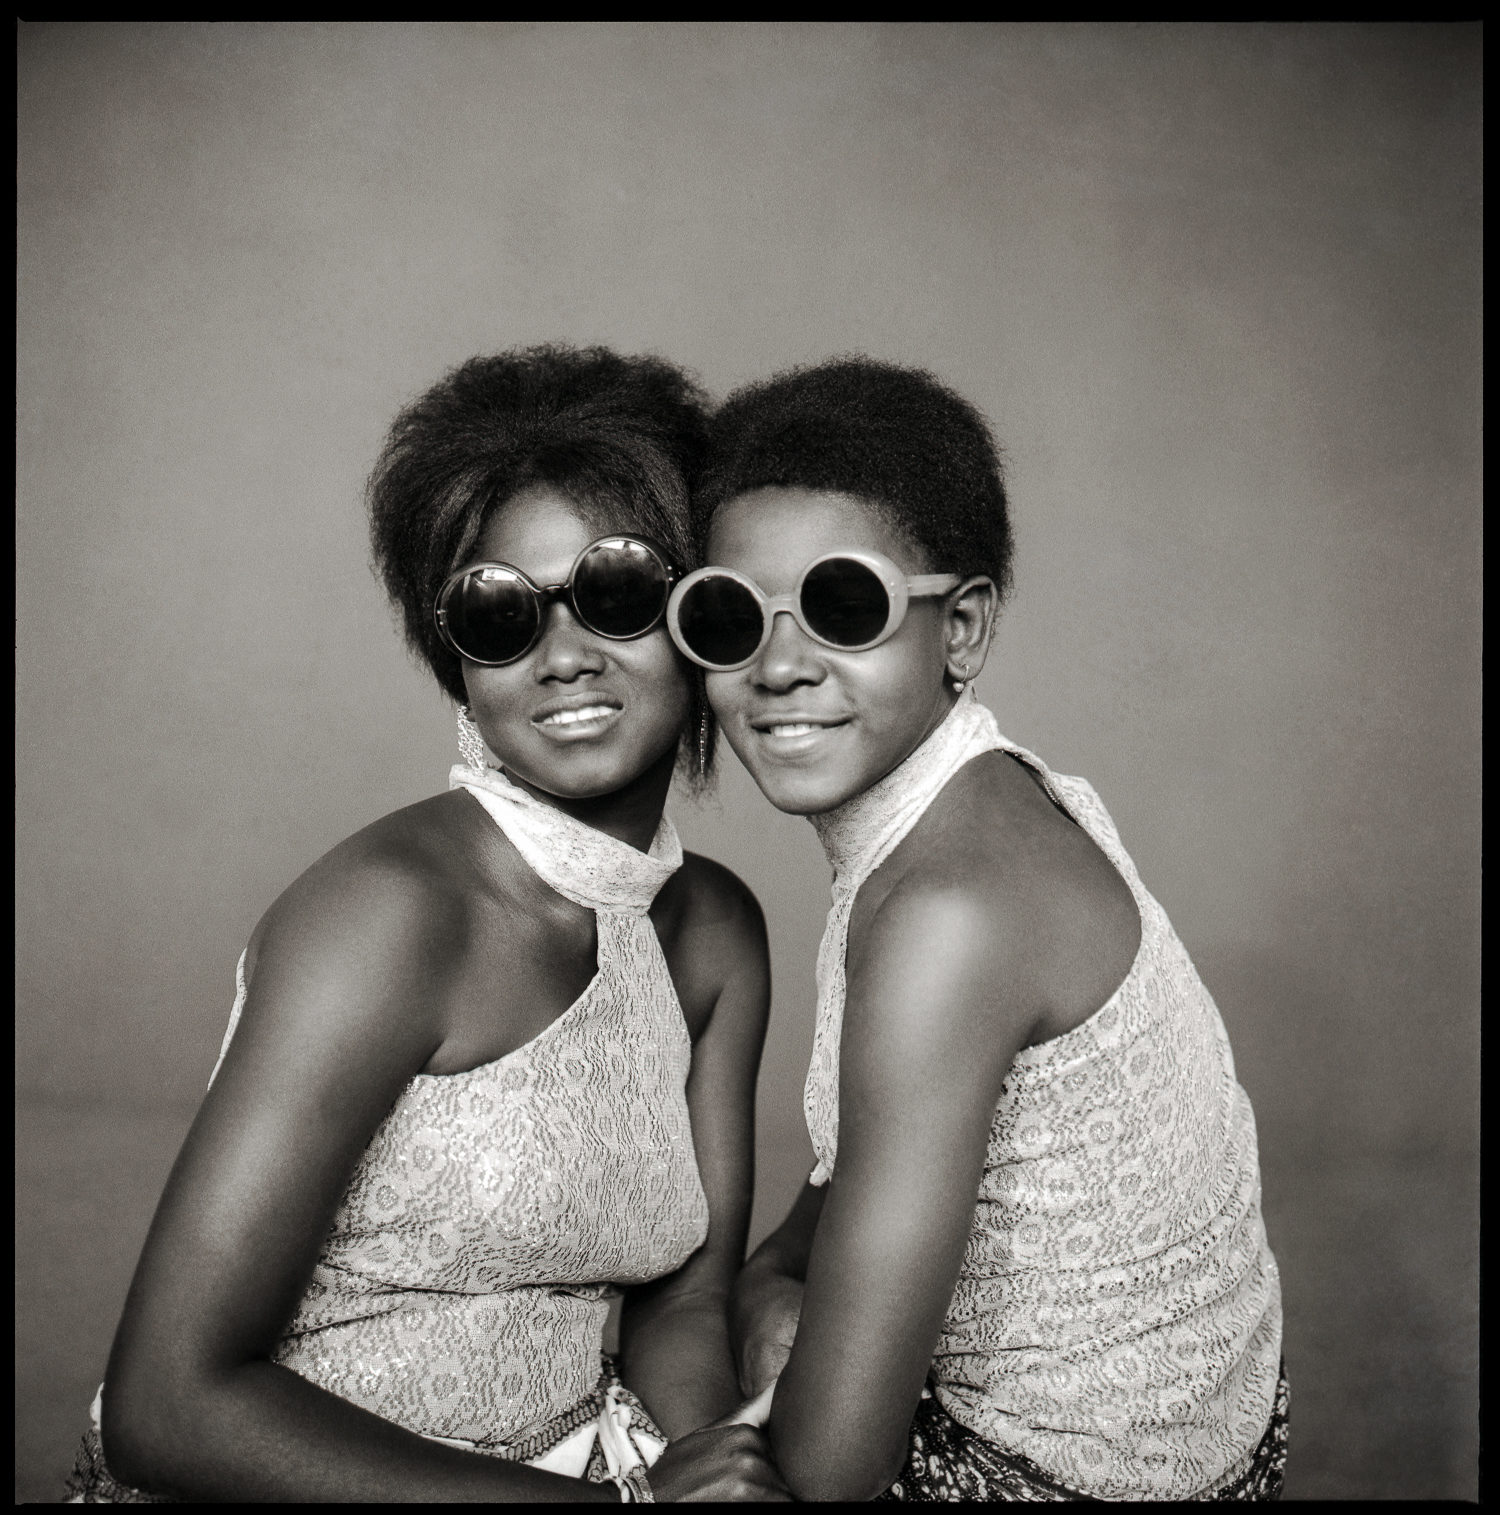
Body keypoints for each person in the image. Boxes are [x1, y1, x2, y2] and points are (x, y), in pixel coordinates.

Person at [65, 345, 788, 1503]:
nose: (563, 655)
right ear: (455, 659)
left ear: (703, 613)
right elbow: (168, 1406)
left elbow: (685, 1306)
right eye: (499, 612)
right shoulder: (388, 916)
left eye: (617, 591)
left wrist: (734, 1473)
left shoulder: (714, 933)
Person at [667, 357, 1287, 1502]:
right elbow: (831, 1203)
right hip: (1224, 1448)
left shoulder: (950, 913)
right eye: (730, 616)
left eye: (846, 607)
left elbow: (832, 1472)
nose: (783, 665)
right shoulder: (989, 798)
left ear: (962, 628)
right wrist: (764, 1298)